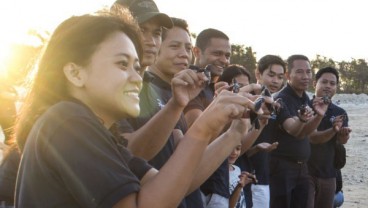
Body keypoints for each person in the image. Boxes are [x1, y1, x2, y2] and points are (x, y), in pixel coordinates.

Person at [14, 8, 256, 207]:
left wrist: (233, 131)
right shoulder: (68, 120)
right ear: (75, 73)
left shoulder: (105, 136)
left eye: (137, 67)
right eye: (122, 64)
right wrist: (204, 127)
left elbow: (171, 185)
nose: (136, 77)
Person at [269, 54, 329, 208]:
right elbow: (293, 131)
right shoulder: (281, 99)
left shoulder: (305, 99)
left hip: (302, 168)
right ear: (288, 75)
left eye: (308, 72)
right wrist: (302, 120)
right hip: (281, 169)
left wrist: (319, 116)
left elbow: (307, 133)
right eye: (300, 72)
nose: (305, 76)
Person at [243, 54, 285, 208]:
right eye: (271, 75)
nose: (276, 81)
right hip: (242, 177)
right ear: (258, 74)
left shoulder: (276, 106)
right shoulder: (246, 103)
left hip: (263, 178)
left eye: (280, 77)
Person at [307, 66, 351, 208]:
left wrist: (343, 134)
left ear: (336, 87)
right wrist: (333, 130)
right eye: (324, 82)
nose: (328, 86)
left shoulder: (339, 112)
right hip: (306, 172)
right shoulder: (306, 107)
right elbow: (311, 137)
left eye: (332, 84)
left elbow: (341, 141)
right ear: (315, 83)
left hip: (329, 172)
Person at [228, 144, 254, 208]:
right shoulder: (219, 174)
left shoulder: (237, 169)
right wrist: (240, 186)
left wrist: (244, 182)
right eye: (230, 149)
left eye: (238, 149)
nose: (234, 152)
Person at [0, 78, 18, 146]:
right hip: (4, 115)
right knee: (10, 136)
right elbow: (4, 94)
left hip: (12, 114)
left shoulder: (8, 85)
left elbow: (16, 95)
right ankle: (10, 150)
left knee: (12, 134)